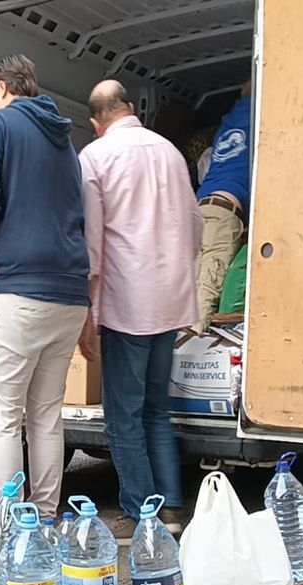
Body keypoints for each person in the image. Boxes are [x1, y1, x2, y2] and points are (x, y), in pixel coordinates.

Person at [0, 54, 91, 518]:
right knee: (46, 418)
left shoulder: (0, 125)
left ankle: (9, 530)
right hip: (68, 297)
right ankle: (46, 521)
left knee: (1, 421)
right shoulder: (65, 143)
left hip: (15, 292)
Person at [78, 80, 201, 536]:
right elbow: (194, 222)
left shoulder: (95, 156)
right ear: (130, 108)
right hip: (170, 299)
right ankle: (170, 508)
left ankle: (141, 511)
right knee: (156, 409)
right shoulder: (170, 151)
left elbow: (91, 240)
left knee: (123, 414)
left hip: (128, 301)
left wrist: (87, 311)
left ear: (96, 123)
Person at [194, 81, 253, 331]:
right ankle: (191, 351)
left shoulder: (227, 127)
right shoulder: (261, 118)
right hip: (225, 210)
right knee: (210, 281)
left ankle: (176, 341)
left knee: (192, 281)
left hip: (199, 205)